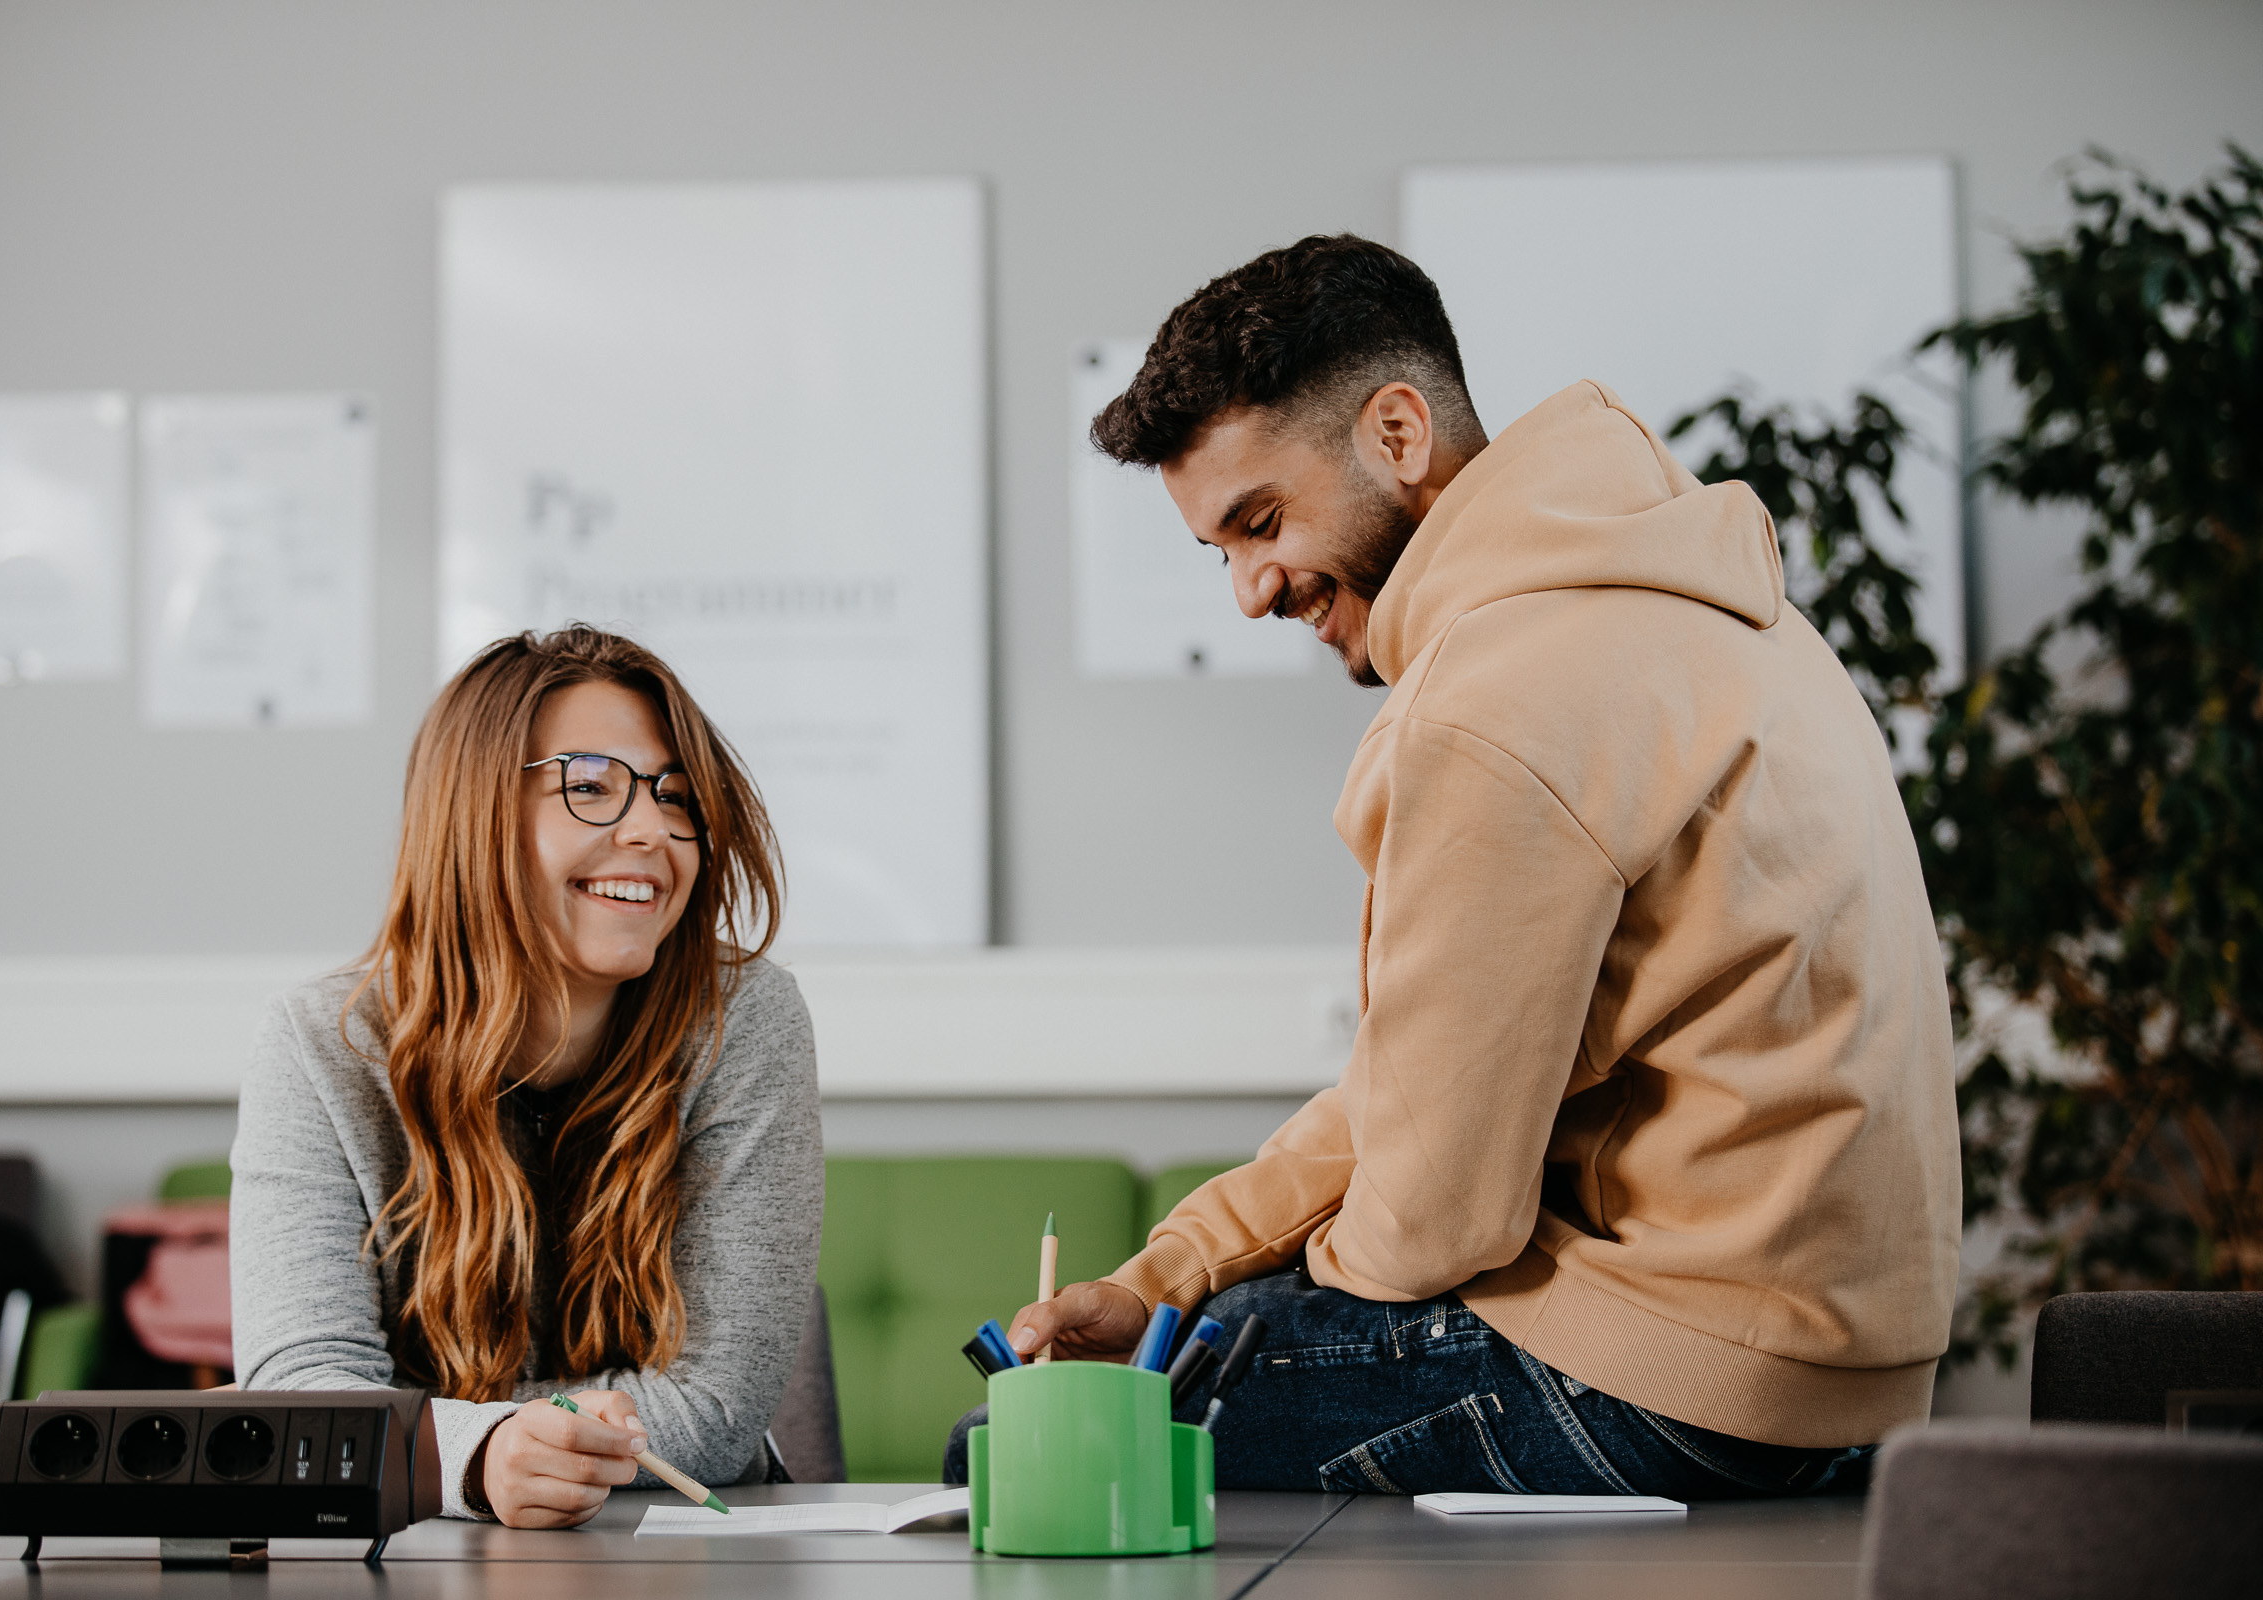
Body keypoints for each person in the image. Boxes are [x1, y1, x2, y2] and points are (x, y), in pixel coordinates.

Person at [965, 235, 1961, 1499]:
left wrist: (1224, 1321)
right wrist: (1167, 1283)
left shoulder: (1492, 701)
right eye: (1217, 549)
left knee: (1029, 1446)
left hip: (1677, 1378)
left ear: (1396, 431)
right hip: (1854, 1383)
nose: (1250, 590)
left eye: (1260, 523)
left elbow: (1434, 1220)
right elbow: (1412, 1095)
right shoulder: (1720, 611)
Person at [231, 625, 822, 1527]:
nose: (651, 830)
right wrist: (485, 1456)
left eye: (676, 797)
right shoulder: (320, 1047)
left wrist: (446, 1434)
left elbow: (717, 1407)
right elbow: (302, 1403)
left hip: (684, 1554)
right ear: (472, 813)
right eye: (590, 787)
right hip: (415, 1555)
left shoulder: (742, 1019)